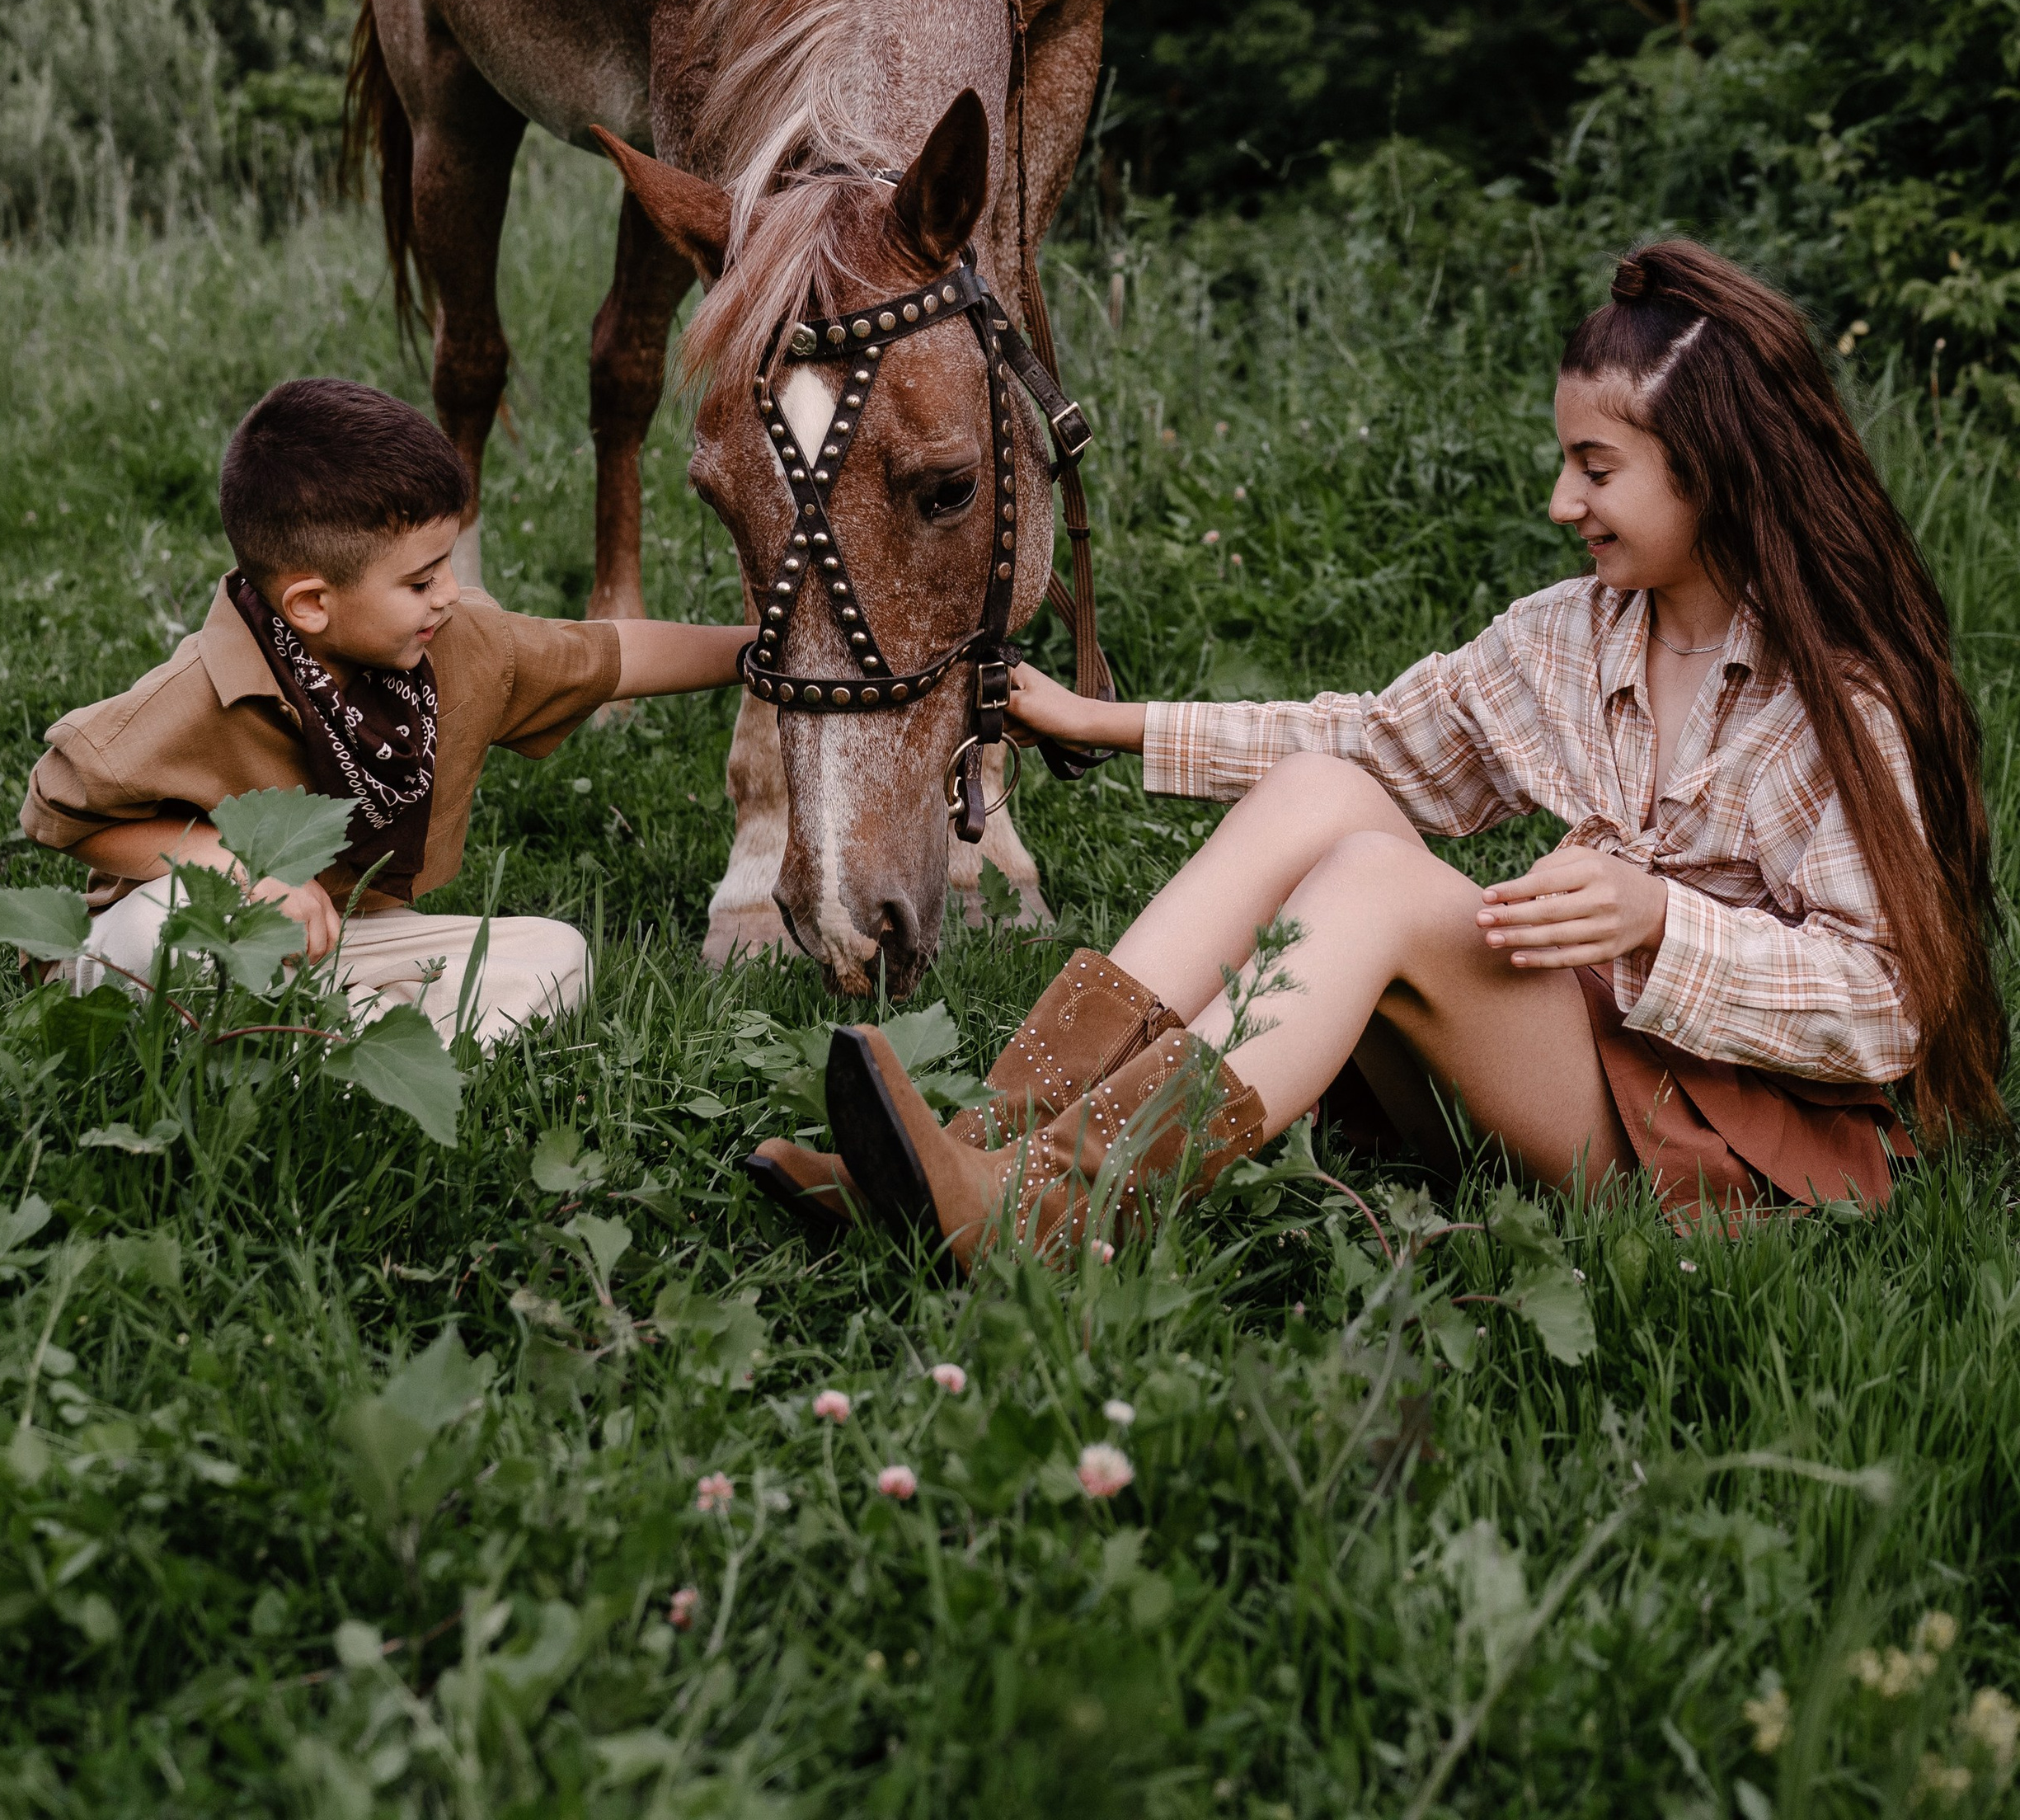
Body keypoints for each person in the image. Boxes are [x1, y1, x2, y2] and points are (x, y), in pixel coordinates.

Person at [801, 242, 2007, 1258]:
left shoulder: (1834, 703)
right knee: (1331, 789)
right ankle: (967, 1158)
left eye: (1597, 469)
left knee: (1382, 882)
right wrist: (1097, 721)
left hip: (1722, 1138)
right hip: (1581, 1066)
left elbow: (1890, 1003)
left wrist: (1655, 921)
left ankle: (1051, 1211)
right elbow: (1370, 743)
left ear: (1720, 473)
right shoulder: (1573, 638)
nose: (1560, 502)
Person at [20, 377, 745, 1042]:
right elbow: (60, 805)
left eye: (448, 566)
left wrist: (769, 650)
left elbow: (608, 655)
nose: (450, 593)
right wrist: (239, 869)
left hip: (342, 939)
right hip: (206, 928)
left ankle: (351, 1047)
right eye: (422, 580)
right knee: (169, 938)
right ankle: (340, 1044)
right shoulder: (200, 692)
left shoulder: (457, 647)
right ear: (311, 604)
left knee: (557, 955)